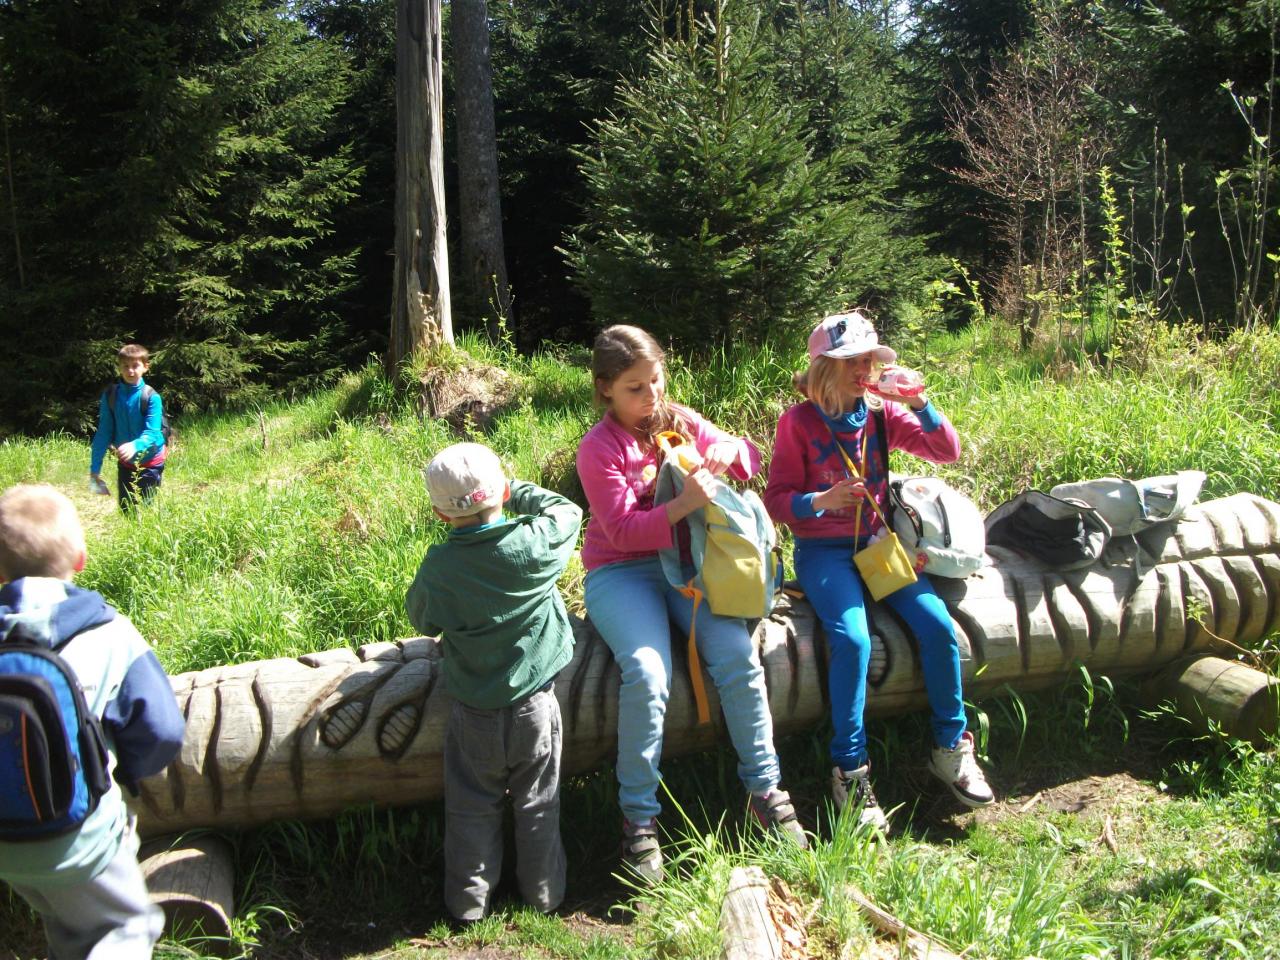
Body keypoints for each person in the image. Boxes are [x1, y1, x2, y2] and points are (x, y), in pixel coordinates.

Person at [576, 324, 806, 886]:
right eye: (634, 388)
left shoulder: (675, 418)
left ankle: (765, 792)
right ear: (605, 388)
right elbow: (622, 531)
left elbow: (749, 458)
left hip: (687, 568)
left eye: (656, 380)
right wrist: (684, 504)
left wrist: (731, 451)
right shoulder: (598, 448)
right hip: (620, 573)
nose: (650, 395)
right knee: (648, 674)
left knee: (737, 657)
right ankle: (638, 818)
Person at [764, 311, 995, 830]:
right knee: (853, 640)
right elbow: (776, 500)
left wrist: (919, 402)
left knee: (937, 626)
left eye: (869, 359)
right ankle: (849, 771)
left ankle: (950, 747)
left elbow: (947, 451)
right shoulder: (798, 422)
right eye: (852, 360)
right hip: (824, 552)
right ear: (824, 367)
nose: (864, 369)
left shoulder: (880, 414)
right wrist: (821, 500)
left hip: (878, 546)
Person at [0, 484, 186, 959]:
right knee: (128, 927)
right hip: (80, 840)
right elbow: (163, 730)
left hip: (7, 843)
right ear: (80, 559)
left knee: (69, 926)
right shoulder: (108, 632)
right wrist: (127, 773)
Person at [406, 442, 582, 922]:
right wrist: (516, 490)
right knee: (539, 802)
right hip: (536, 706)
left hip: (473, 712)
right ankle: (544, 896)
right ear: (502, 492)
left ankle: (468, 904)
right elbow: (567, 511)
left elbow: (421, 618)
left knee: (470, 806)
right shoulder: (533, 542)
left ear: (440, 515)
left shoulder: (440, 568)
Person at [89, 343, 168, 511]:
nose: (130, 371)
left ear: (146, 367)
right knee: (126, 509)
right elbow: (103, 433)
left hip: (151, 461)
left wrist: (135, 445)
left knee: (147, 510)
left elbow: (153, 433)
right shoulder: (111, 396)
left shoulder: (151, 397)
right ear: (119, 367)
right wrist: (95, 471)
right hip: (126, 463)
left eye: (135, 366)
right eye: (125, 366)